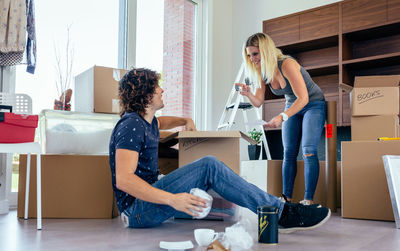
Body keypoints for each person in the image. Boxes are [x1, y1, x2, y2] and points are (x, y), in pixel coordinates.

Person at [109, 67, 330, 233]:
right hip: (136, 211)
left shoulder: (147, 121)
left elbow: (163, 121)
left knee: (214, 183)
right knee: (209, 165)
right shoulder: (131, 125)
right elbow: (124, 180)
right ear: (145, 94)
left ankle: (275, 209)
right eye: (156, 86)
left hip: (147, 200)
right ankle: (282, 213)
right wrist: (172, 199)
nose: (162, 89)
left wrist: (186, 119)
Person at [236, 33, 327, 206]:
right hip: (293, 104)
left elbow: (304, 98)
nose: (252, 59)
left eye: (255, 54)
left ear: (266, 50)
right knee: (289, 153)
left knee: (308, 149)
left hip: (313, 104)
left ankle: (308, 199)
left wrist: (282, 116)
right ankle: (287, 199)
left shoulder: (287, 64)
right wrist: (248, 94)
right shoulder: (262, 71)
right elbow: (258, 102)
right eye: (249, 55)